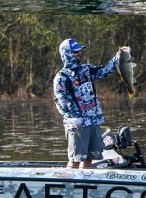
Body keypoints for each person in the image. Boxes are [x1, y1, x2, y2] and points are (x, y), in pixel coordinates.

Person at [53, 38, 124, 168]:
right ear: (66, 53)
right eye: (75, 51)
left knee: (90, 158)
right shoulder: (61, 77)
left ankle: (87, 184)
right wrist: (72, 117)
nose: (79, 53)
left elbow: (105, 70)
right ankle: (70, 186)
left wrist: (119, 56)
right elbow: (59, 100)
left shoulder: (86, 70)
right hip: (77, 125)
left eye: (79, 51)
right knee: (76, 159)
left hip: (93, 121)